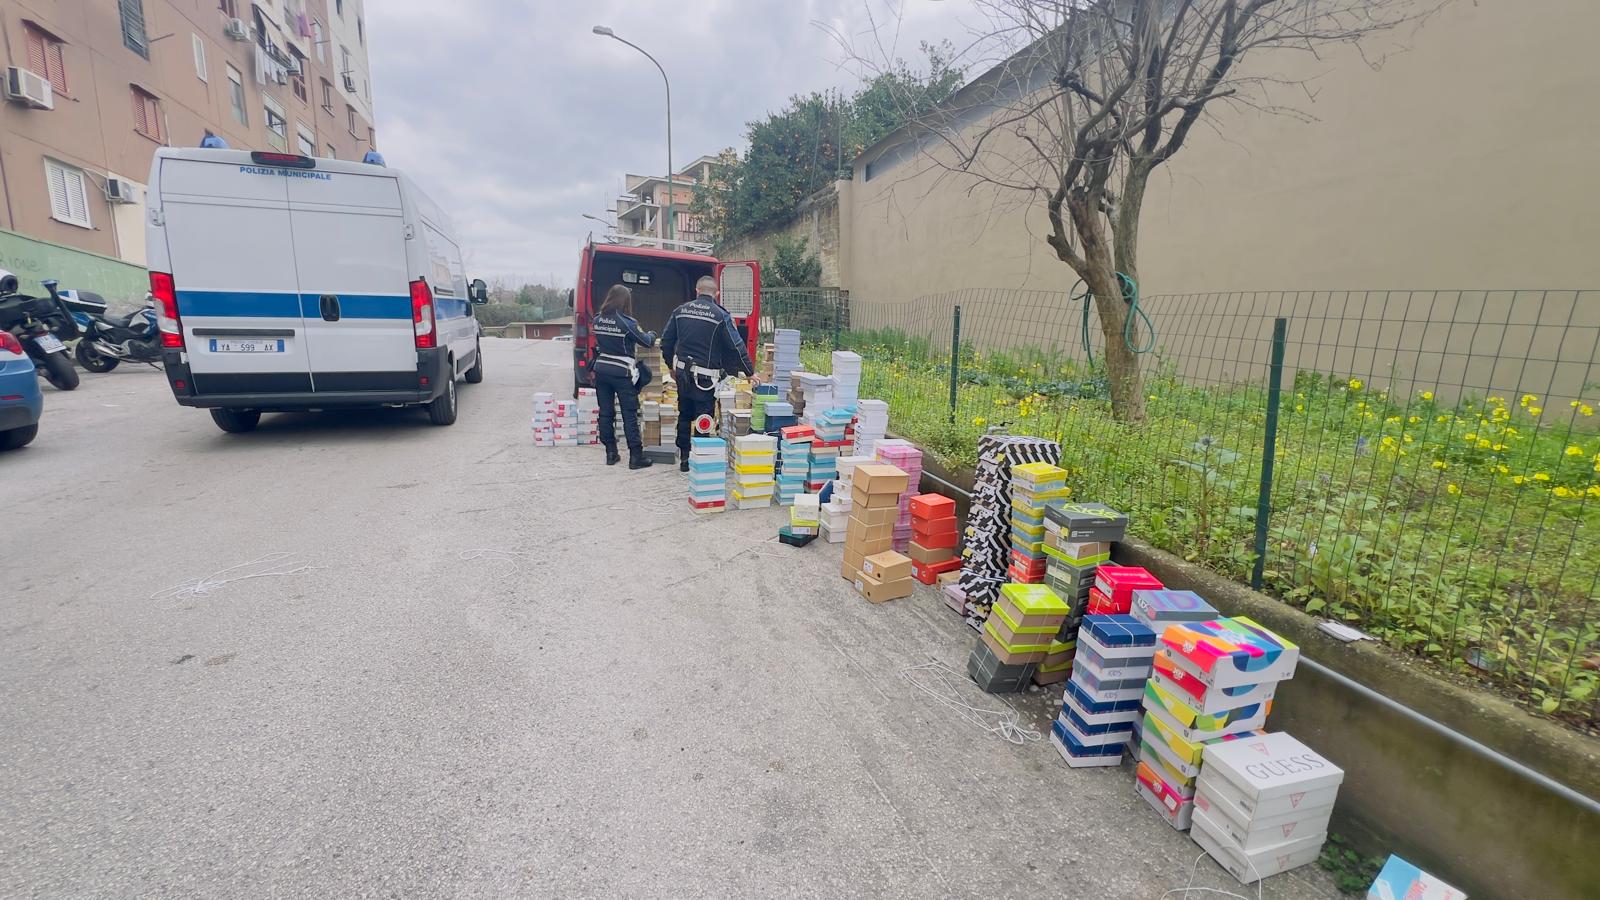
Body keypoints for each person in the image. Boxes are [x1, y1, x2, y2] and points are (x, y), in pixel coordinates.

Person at [660, 275, 754, 471]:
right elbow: (736, 346)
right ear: (716, 294)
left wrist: (670, 365)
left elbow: (666, 341)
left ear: (697, 291)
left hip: (683, 373)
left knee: (684, 413)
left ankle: (684, 457)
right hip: (706, 379)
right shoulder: (720, 316)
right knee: (704, 416)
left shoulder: (680, 311)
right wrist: (749, 371)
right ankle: (700, 456)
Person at [589, 284, 657, 469]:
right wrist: (652, 334)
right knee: (629, 413)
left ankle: (611, 453)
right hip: (621, 373)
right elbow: (646, 342)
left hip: (601, 371)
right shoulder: (627, 323)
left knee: (606, 412)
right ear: (625, 301)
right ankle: (636, 457)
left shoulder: (597, 320)